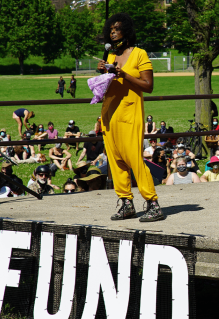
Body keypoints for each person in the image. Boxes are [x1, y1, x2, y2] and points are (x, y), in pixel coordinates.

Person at [98, 13, 165, 222]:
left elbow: (149, 86)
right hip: (110, 113)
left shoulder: (139, 54)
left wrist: (124, 75)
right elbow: (107, 84)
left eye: (117, 28)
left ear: (126, 31)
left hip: (130, 112)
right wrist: (102, 73)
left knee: (134, 159)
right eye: (110, 29)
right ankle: (126, 203)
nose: (113, 32)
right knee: (116, 159)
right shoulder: (110, 56)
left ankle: (153, 203)